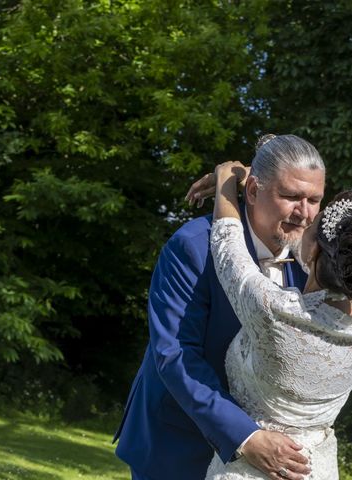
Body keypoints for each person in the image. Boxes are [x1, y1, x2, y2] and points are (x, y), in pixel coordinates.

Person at [113, 135, 325, 480]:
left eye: (314, 199)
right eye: (290, 197)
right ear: (253, 191)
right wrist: (246, 436)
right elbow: (176, 353)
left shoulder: (310, 263)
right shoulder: (193, 246)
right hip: (179, 444)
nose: (304, 213)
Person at [204, 161, 352, 480]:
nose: (305, 219)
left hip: (251, 470)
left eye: (312, 226)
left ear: (313, 252)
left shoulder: (276, 310)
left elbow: (227, 245)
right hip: (317, 469)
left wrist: (228, 178)